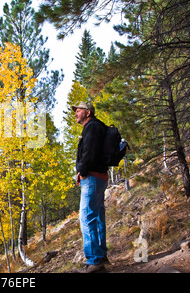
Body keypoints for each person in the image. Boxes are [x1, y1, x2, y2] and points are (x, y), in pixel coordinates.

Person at [72, 102, 109, 273]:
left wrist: (82, 171)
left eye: (78, 111)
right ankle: (100, 257)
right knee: (98, 217)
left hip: (92, 177)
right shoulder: (96, 127)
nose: (75, 114)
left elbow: (89, 152)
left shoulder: (92, 127)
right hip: (98, 177)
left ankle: (94, 261)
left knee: (87, 217)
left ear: (88, 112)